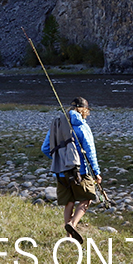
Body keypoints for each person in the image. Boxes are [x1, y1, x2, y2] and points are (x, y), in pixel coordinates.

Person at [42, 97, 102, 242]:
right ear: (85, 110)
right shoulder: (82, 125)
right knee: (87, 198)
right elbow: (90, 150)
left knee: (69, 202)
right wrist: (96, 172)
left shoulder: (57, 125)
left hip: (61, 172)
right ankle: (72, 224)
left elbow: (45, 149)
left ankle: (68, 236)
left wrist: (61, 161)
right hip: (80, 171)